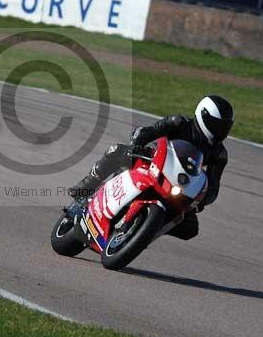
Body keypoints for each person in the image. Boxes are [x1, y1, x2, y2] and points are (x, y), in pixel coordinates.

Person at [68, 95, 234, 241]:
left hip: (178, 185)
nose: (221, 131)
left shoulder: (219, 154)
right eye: (217, 125)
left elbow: (213, 185)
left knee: (190, 228)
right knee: (117, 150)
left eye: (225, 127)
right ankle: (87, 185)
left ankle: (146, 231)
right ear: (202, 115)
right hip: (153, 164)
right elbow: (146, 131)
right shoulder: (179, 123)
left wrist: (202, 200)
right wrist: (137, 144)